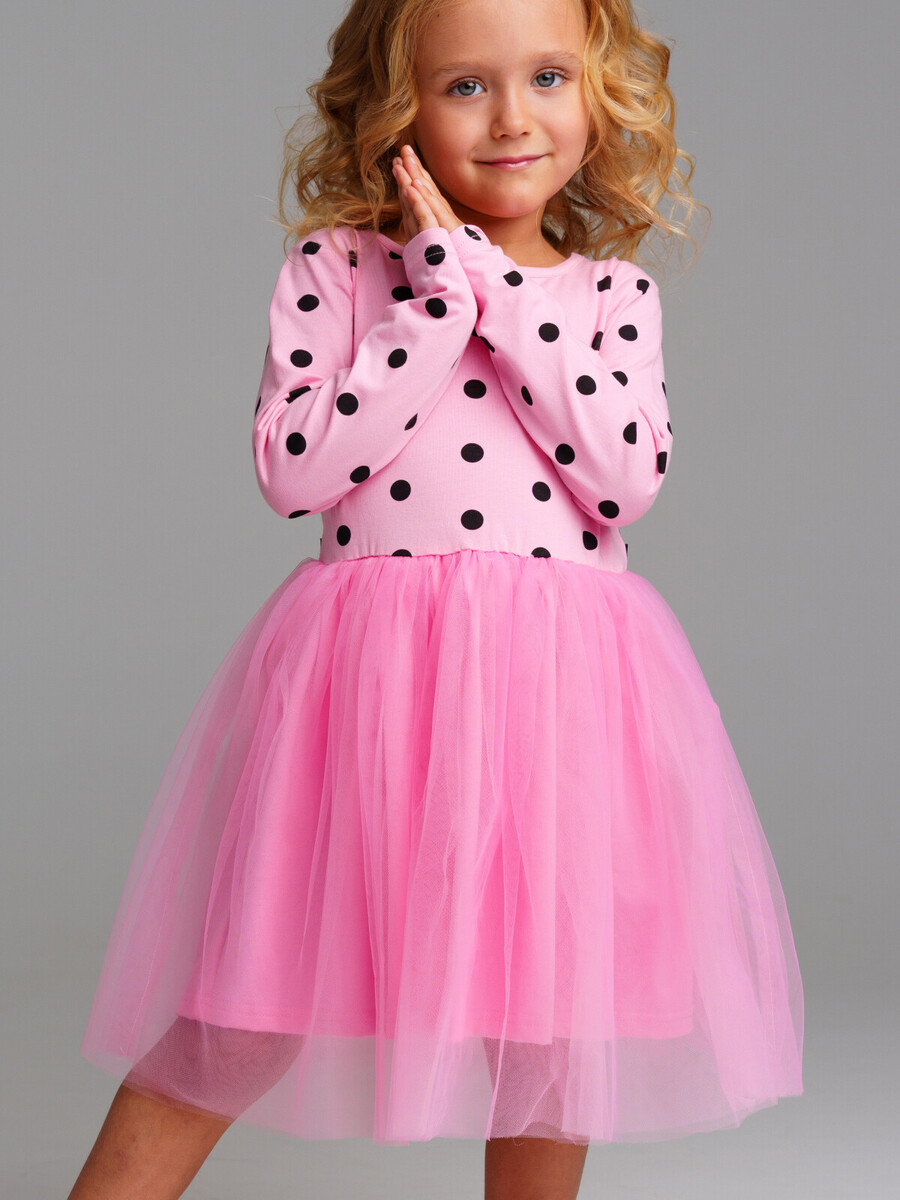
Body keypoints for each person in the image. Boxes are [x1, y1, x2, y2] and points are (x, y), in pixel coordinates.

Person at [67, 0, 804, 1196]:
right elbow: (295, 471)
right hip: (372, 696)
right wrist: (434, 308)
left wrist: (496, 292)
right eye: (465, 86)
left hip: (559, 703)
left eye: (548, 76)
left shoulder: (612, 296)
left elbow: (622, 479)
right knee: (245, 1010)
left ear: (598, 90)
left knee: (550, 1026)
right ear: (397, 109)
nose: (513, 118)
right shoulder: (339, 271)